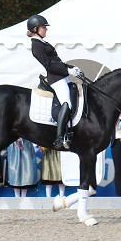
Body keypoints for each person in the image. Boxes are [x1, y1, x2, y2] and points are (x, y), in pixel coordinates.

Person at [27, 14, 83, 149]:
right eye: (43, 27)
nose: (46, 29)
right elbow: (49, 65)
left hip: (62, 76)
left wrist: (70, 68)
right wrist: (67, 70)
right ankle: (59, 137)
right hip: (56, 78)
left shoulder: (42, 42)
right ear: (35, 29)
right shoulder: (36, 45)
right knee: (67, 104)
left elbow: (57, 62)